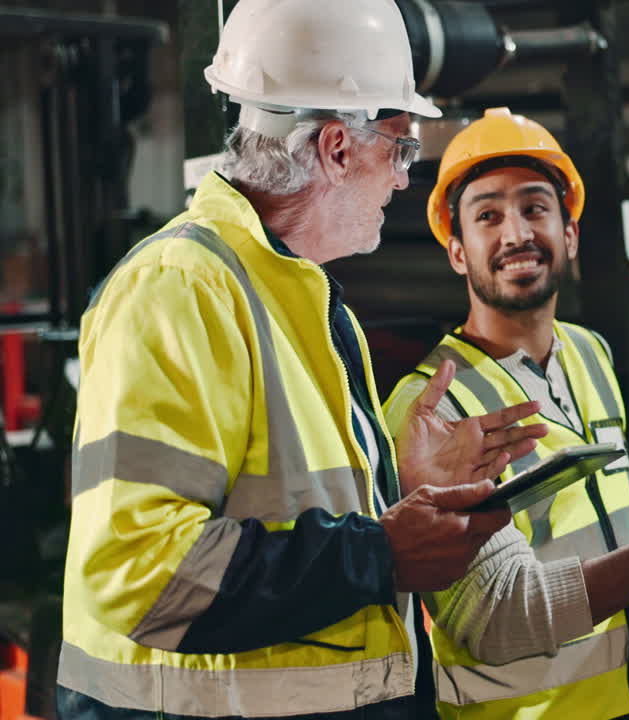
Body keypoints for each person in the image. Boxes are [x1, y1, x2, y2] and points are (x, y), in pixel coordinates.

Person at [56, 3, 549, 719]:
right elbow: (141, 570)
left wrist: (398, 490)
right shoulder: (182, 289)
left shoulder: (298, 296)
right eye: (401, 149)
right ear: (337, 149)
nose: (405, 180)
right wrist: (380, 553)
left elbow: (279, 512)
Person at [381, 107, 629, 720]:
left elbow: (593, 540)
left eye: (535, 208)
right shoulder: (428, 410)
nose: (516, 233)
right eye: (487, 215)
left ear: (569, 234)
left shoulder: (590, 354)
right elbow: (493, 622)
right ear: (457, 252)